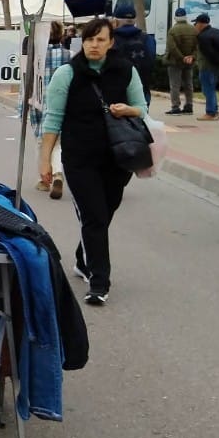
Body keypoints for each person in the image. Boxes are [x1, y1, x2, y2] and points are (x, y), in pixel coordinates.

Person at [39, 18, 148, 305]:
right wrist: (45, 161)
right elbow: (53, 121)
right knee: (95, 217)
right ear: (82, 42)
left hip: (117, 158)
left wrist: (128, 110)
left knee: (104, 213)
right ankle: (98, 283)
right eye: (89, 39)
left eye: (100, 40)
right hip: (79, 159)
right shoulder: (67, 74)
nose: (94, 45)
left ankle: (81, 257)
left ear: (111, 42)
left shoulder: (125, 71)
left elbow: (143, 109)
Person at [30, 21, 71, 198]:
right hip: (63, 103)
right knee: (59, 143)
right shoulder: (70, 55)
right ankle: (57, 173)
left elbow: (28, 82)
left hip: (40, 101)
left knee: (42, 141)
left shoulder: (36, 57)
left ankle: (45, 179)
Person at [111, 6, 156, 107]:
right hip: (142, 90)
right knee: (142, 118)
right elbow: (152, 61)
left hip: (116, 92)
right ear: (134, 20)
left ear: (116, 20)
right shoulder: (148, 39)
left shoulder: (110, 39)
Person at [191, 12, 219, 121]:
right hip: (216, 67)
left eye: (196, 23)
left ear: (201, 24)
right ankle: (214, 112)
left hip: (207, 67)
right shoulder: (217, 32)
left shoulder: (203, 36)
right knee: (211, 88)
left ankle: (210, 113)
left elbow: (208, 53)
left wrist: (213, 62)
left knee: (208, 90)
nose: (195, 26)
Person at [164, 7, 197, 115]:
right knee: (188, 84)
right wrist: (191, 57)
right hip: (189, 62)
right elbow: (198, 46)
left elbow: (172, 47)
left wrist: (181, 57)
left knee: (175, 85)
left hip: (175, 62)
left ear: (175, 17)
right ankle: (189, 105)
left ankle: (175, 107)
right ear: (185, 16)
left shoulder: (173, 30)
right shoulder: (193, 29)